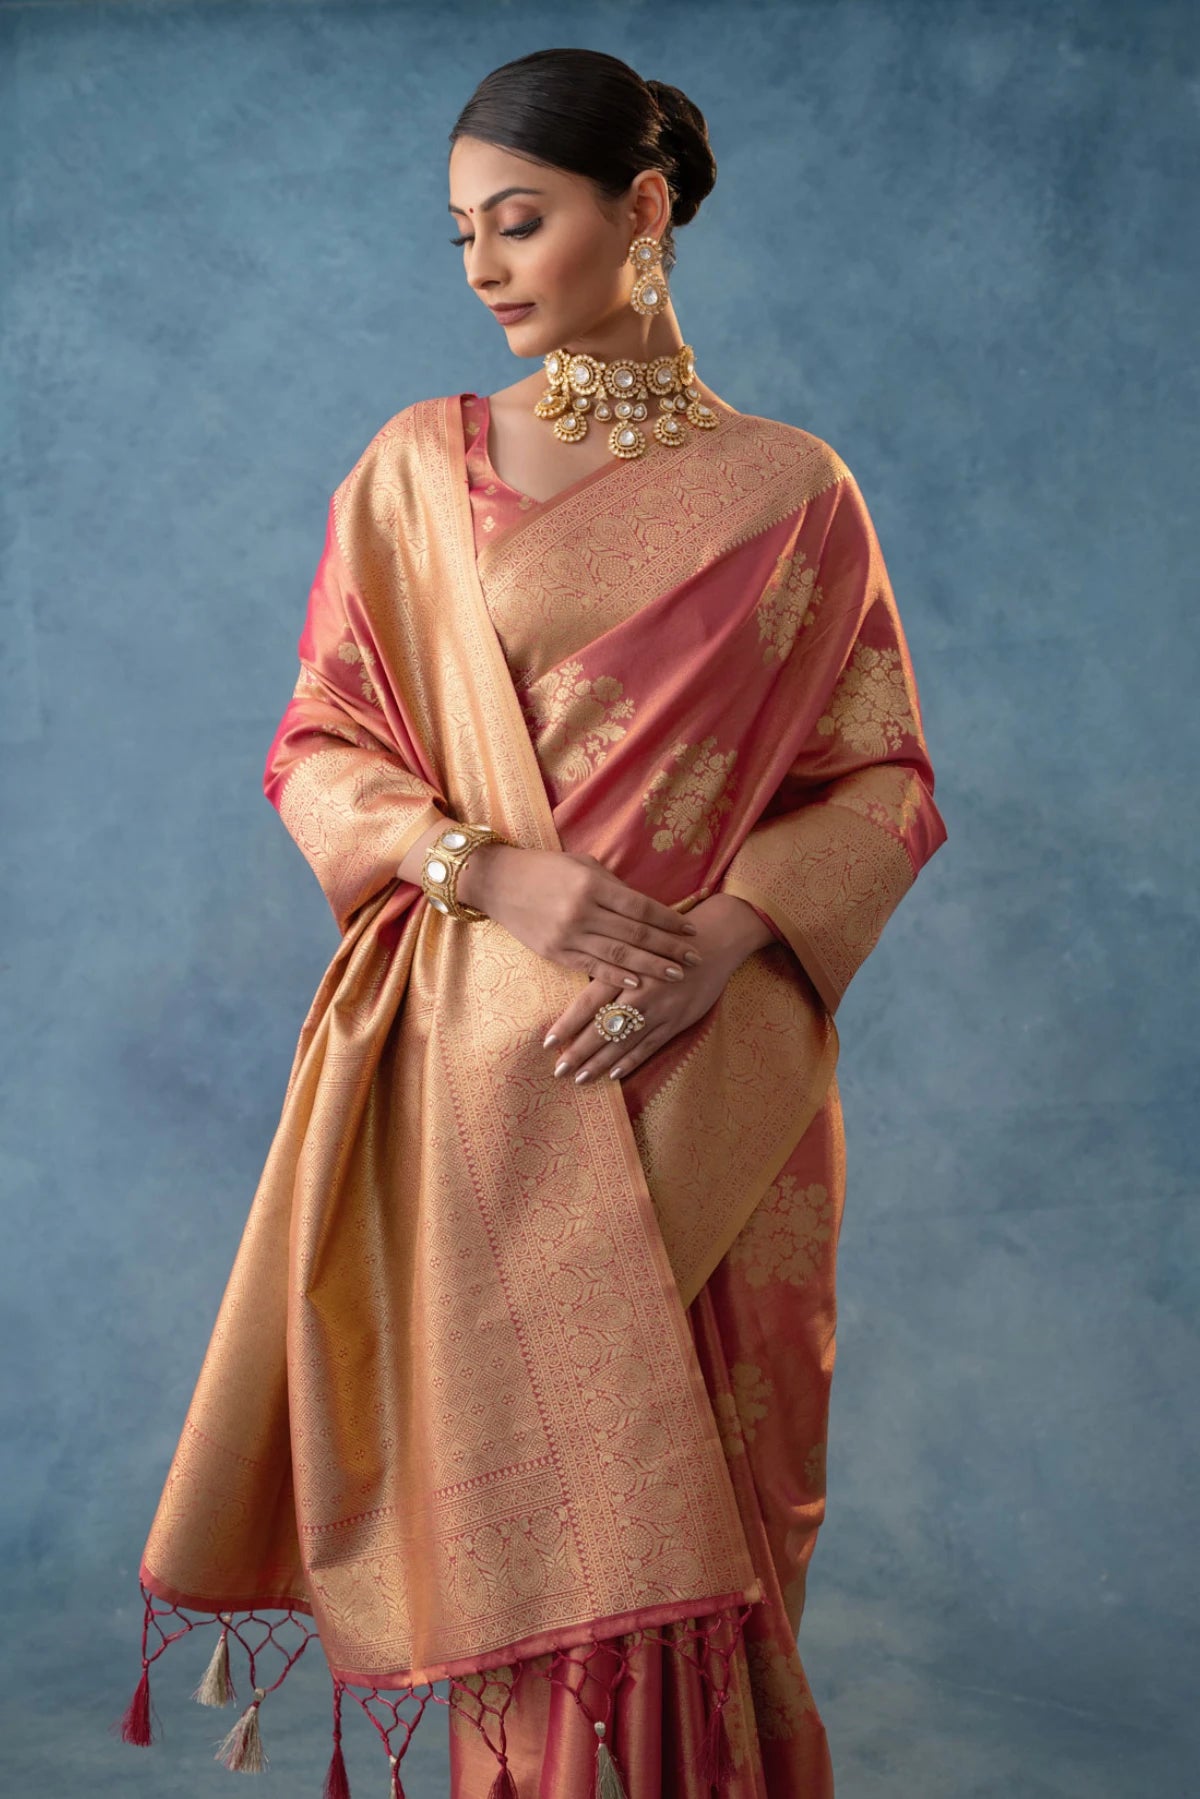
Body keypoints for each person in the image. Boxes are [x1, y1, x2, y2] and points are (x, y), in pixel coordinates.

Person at [116, 46, 948, 1799]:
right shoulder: (418, 474)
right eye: (462, 236)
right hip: (485, 1078)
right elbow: (320, 744)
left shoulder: (795, 491)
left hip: (718, 1079)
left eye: (519, 222)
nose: (484, 267)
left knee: (721, 1511)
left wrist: (733, 931)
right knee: (527, 1532)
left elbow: (882, 776)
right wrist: (486, 868)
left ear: (641, 212)